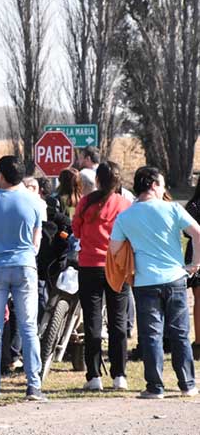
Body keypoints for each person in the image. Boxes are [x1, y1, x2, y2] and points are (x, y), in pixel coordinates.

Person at [110, 167, 199, 399]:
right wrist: (195, 263)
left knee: (151, 335)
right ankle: (187, 384)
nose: (163, 189)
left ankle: (155, 387)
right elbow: (198, 233)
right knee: (180, 333)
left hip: (144, 281)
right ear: (152, 185)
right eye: (161, 184)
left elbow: (114, 249)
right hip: (175, 278)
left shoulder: (125, 216)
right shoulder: (172, 209)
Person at [0, 156, 44, 401]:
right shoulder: (35, 201)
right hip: (25, 265)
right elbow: (37, 240)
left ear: (1, 175)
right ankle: (33, 385)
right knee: (28, 326)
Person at [72, 162, 131, 391]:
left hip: (89, 265)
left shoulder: (85, 202)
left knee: (92, 322)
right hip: (116, 266)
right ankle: (119, 375)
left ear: (97, 180)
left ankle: (94, 375)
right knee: (118, 321)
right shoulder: (124, 204)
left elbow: (76, 230)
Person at [184, 178, 200, 361]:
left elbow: (185, 230)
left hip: (196, 250)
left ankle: (198, 342)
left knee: (198, 299)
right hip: (197, 250)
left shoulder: (194, 205)